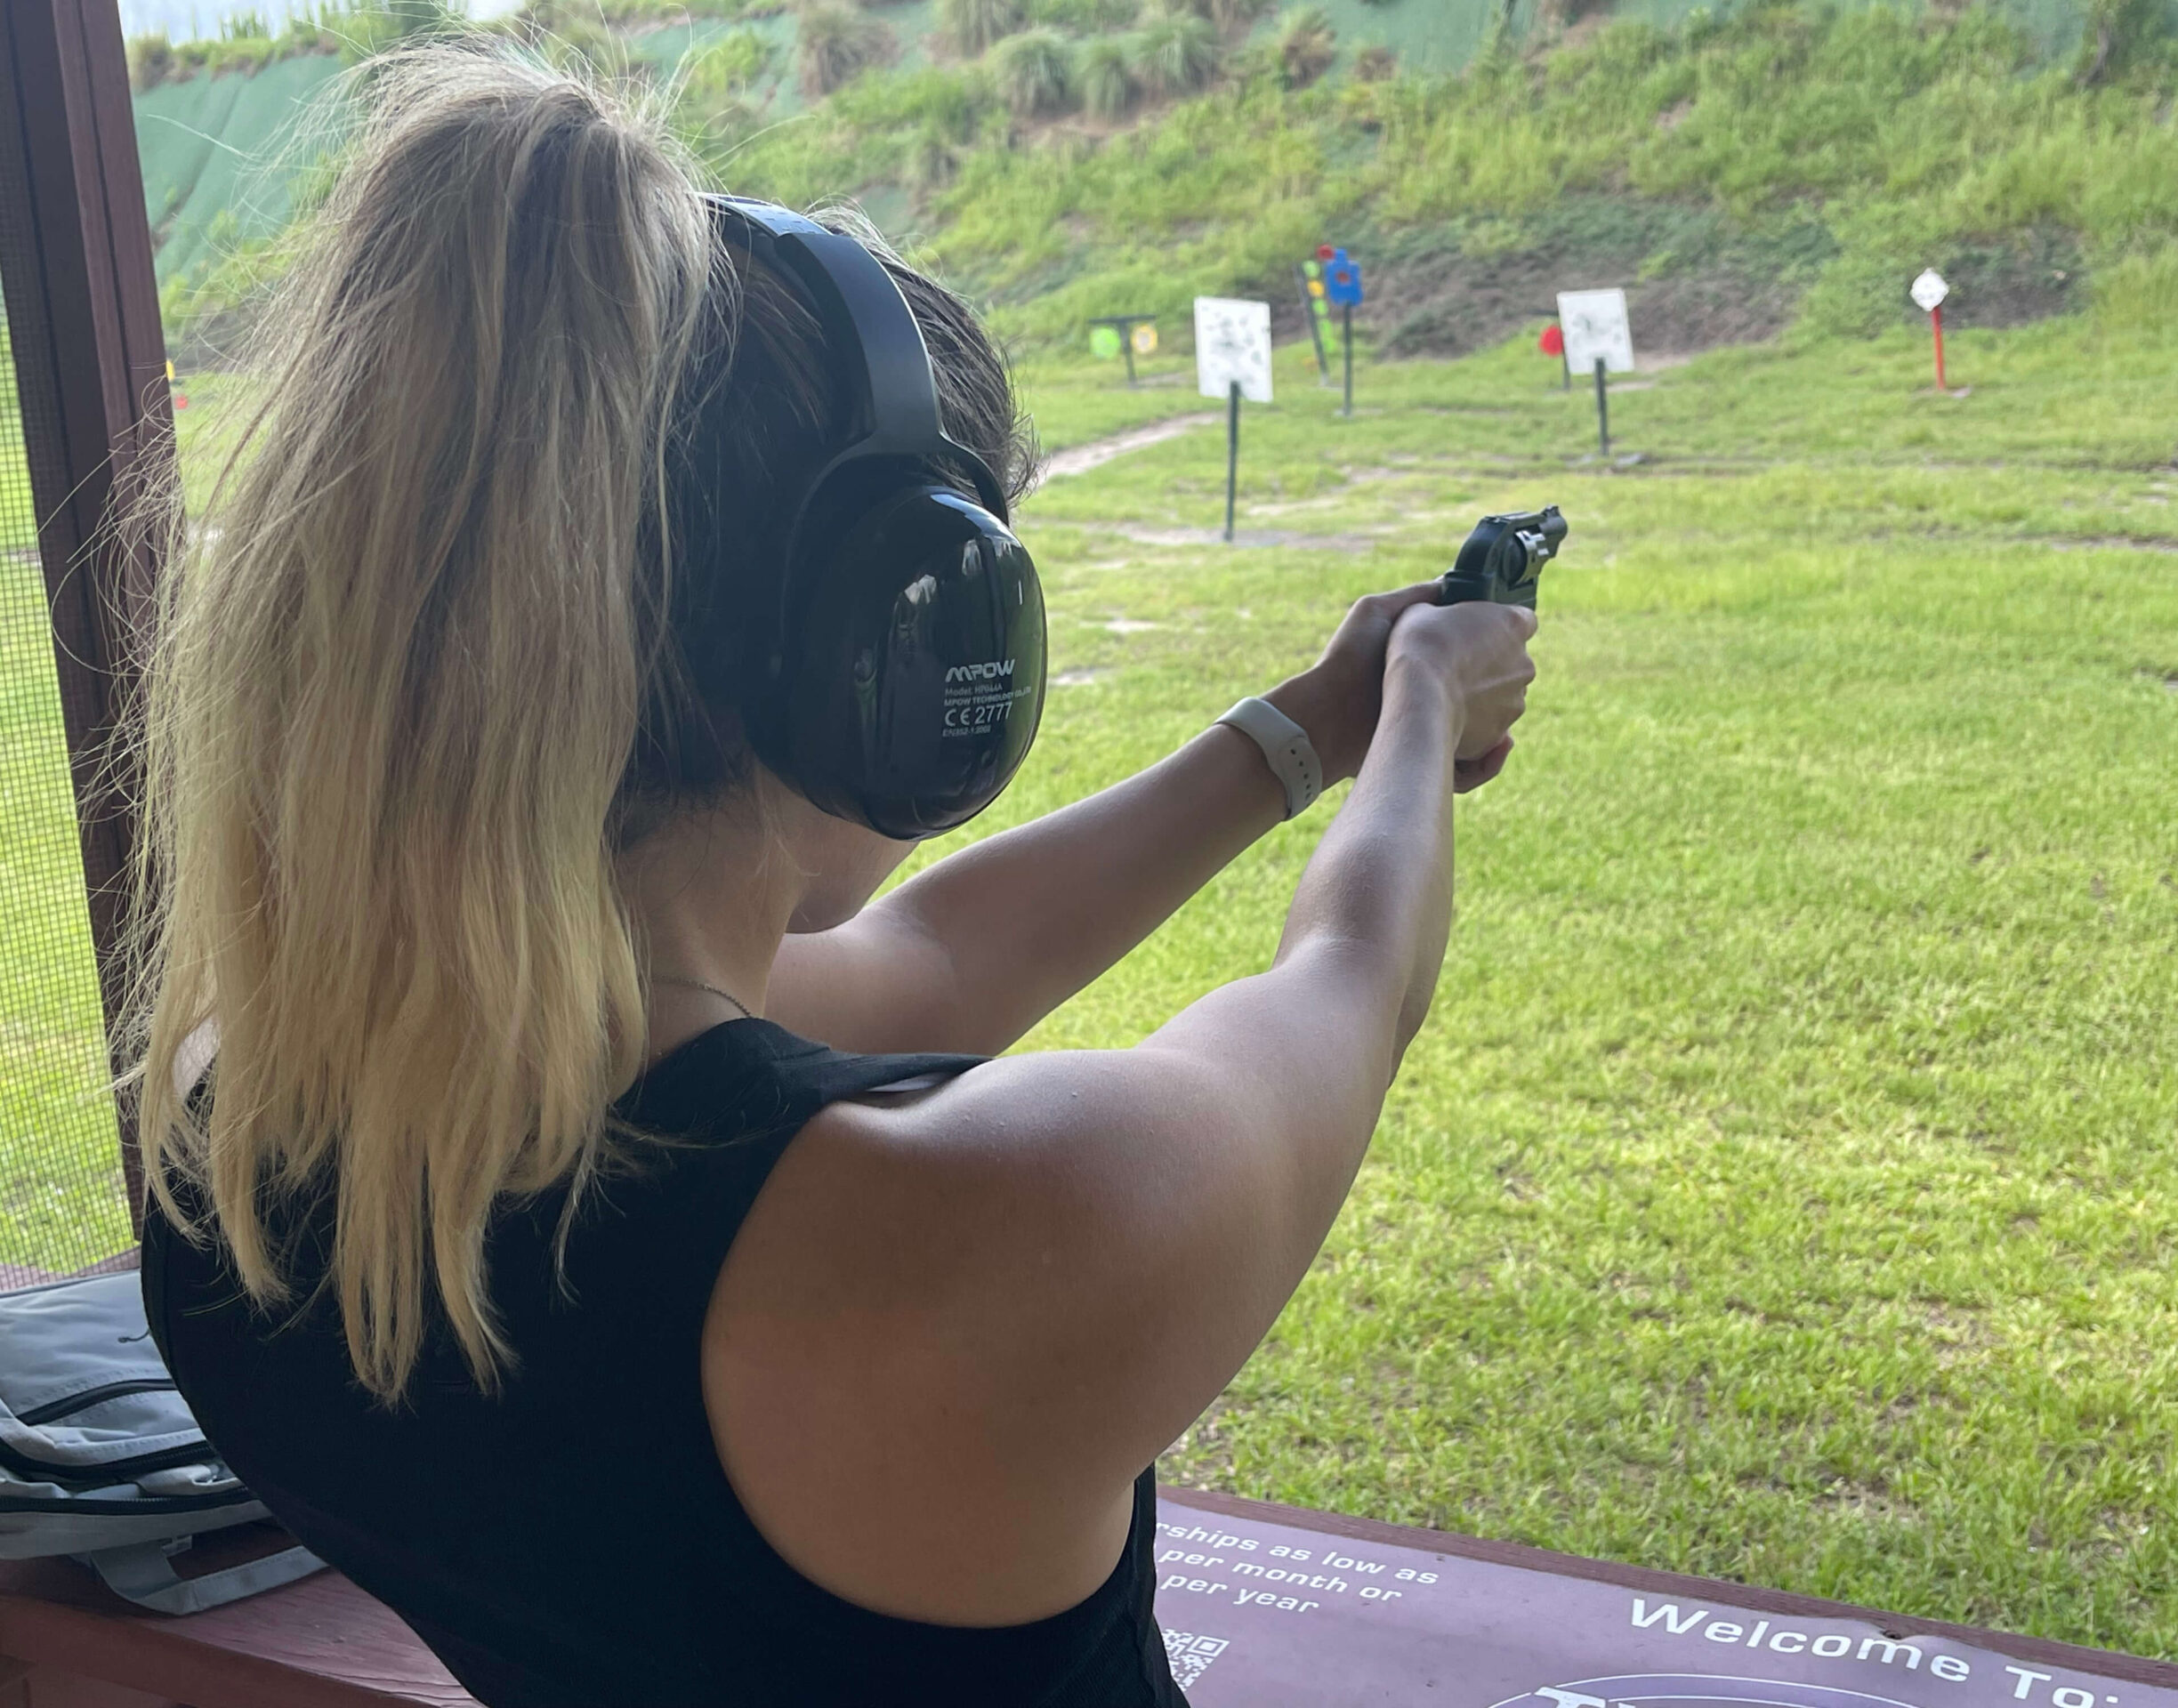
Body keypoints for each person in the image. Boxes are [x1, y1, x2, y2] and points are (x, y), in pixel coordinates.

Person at [129, 44, 1537, 1708]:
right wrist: (1428, 704)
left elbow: (927, 964)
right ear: (877, 640)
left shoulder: (238, 1131)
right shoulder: (992, 1239)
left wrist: (1304, 730)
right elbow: (1349, 985)